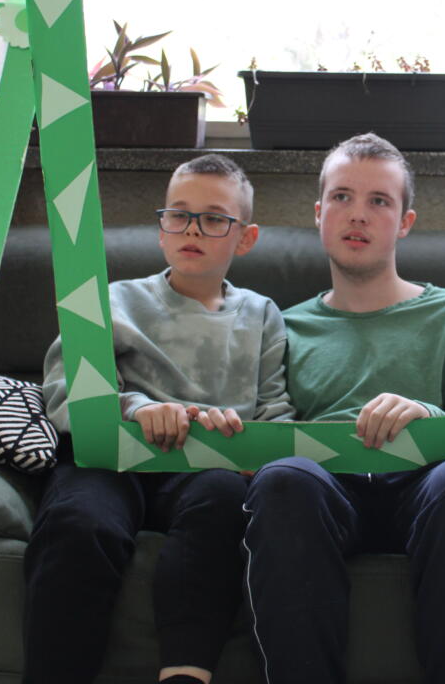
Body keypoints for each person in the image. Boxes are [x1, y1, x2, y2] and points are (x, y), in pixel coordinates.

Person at [241, 133, 445, 684]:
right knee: (282, 481)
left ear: (405, 222)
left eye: (379, 201)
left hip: (427, 488)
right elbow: (271, 427)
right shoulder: (281, 325)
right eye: (342, 197)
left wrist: (424, 414)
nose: (358, 215)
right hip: (325, 491)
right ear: (319, 214)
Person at [24, 153, 294, 684]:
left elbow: (276, 411)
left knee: (222, 500)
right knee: (78, 523)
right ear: (161, 228)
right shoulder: (113, 300)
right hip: (111, 460)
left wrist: (250, 447)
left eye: (214, 219)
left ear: (245, 238)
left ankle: (186, 673)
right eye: (179, 214)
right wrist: (138, 407)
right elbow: (64, 390)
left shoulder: (262, 314)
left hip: (206, 469)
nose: (192, 229)